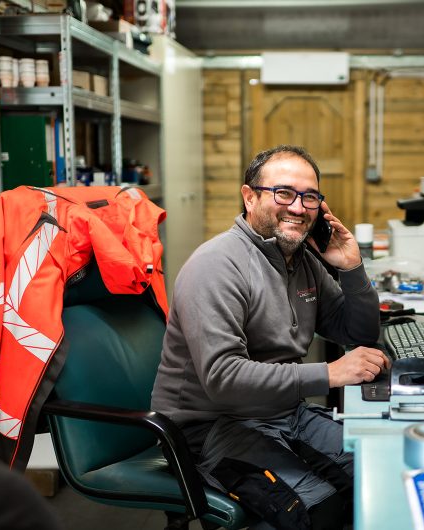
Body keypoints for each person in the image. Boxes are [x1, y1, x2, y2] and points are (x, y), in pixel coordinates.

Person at [151, 145, 389, 529]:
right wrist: (329, 374)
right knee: (318, 510)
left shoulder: (303, 261)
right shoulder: (216, 266)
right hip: (209, 428)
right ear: (250, 197)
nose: (298, 207)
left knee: (381, 471)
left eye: (309, 196)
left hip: (281, 411)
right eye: (283, 193)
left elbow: (356, 332)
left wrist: (352, 267)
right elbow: (224, 379)